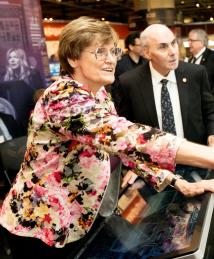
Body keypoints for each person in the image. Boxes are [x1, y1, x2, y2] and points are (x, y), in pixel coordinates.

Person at [1, 17, 214, 259]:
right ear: (73, 58)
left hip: (84, 218)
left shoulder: (99, 94)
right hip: (42, 228)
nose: (111, 59)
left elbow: (121, 149)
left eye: (112, 51)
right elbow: (127, 136)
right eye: (99, 52)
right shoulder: (62, 98)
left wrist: (176, 181)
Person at [112, 24, 214, 147]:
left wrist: (211, 134)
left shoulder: (196, 73)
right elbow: (126, 123)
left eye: (173, 43)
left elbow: (209, 110)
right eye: (163, 47)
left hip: (195, 156)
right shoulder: (129, 82)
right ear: (146, 53)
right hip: (153, 163)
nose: (173, 52)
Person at [187, 28, 214, 94]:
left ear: (202, 42)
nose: (189, 43)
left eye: (191, 40)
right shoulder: (190, 59)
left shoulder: (212, 57)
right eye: (188, 40)